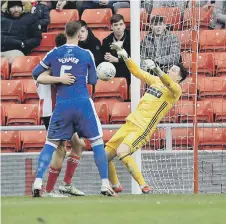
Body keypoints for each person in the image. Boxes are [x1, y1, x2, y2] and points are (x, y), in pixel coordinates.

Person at [32, 21, 116, 197]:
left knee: (51, 144)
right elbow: (93, 80)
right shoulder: (86, 53)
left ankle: (38, 182)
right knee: (97, 141)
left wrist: (58, 76)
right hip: (82, 102)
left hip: (62, 105)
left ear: (65, 32)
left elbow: (36, 73)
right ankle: (104, 184)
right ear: (79, 34)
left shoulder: (54, 53)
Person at [106, 43, 187, 194]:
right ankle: (116, 185)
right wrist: (124, 55)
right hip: (130, 123)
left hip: (143, 128)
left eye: (174, 70)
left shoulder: (176, 90)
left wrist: (157, 69)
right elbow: (137, 72)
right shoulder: (156, 81)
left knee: (122, 152)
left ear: (180, 78)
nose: (170, 70)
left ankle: (144, 186)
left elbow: (168, 82)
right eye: (170, 68)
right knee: (104, 157)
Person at [35, 33, 85, 197]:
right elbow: (39, 77)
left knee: (77, 144)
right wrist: (61, 79)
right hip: (53, 110)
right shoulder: (54, 61)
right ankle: (48, 189)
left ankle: (65, 185)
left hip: (57, 109)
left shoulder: (51, 59)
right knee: (61, 148)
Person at [101, 14, 131, 85]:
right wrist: (106, 58)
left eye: (121, 24)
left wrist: (117, 60)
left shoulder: (131, 39)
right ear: (111, 27)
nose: (118, 27)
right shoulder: (106, 41)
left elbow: (134, 59)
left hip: (128, 71)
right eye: (116, 25)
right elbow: (101, 58)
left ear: (124, 26)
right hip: (112, 72)